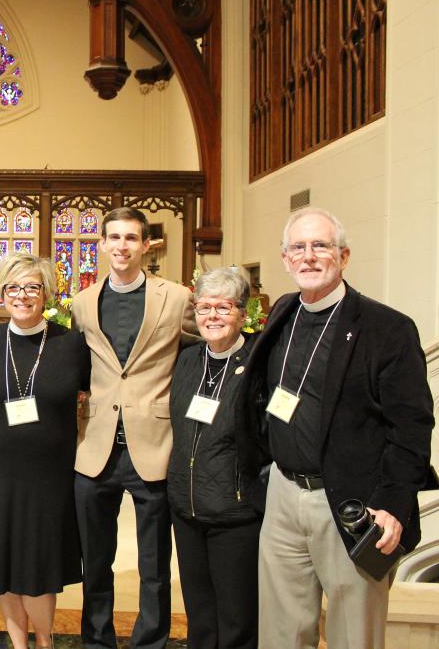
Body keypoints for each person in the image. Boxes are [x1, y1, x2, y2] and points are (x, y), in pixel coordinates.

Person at [249, 207, 434, 649]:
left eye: (321, 246)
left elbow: (412, 424)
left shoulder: (386, 328)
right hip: (283, 495)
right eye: (299, 247)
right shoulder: (283, 312)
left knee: (355, 634)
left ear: (344, 256)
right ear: (284, 258)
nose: (309, 256)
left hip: (352, 501)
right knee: (281, 633)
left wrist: (393, 502)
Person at [72, 207, 196, 649]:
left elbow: (212, 340)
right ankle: (97, 639)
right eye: (113, 238)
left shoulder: (177, 298)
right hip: (96, 448)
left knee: (155, 563)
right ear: (101, 245)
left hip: (155, 444)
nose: (121, 246)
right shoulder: (82, 302)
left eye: (131, 238)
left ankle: (151, 641)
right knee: (97, 559)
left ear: (147, 245)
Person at [0, 252, 90, 649]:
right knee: (2, 562)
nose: (23, 295)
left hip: (48, 476)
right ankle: (18, 642)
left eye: (33, 286)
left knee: (38, 563)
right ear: (2, 292)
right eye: (13, 287)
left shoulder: (72, 344)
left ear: (47, 293)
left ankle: (44, 641)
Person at [167, 267, 269, 649]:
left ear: (243, 314)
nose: (212, 316)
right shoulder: (188, 360)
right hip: (186, 508)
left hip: (235, 511)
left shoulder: (260, 365)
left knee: (237, 618)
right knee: (200, 615)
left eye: (224, 307)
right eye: (204, 307)